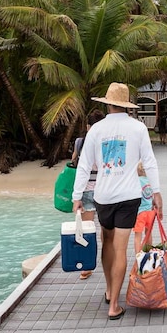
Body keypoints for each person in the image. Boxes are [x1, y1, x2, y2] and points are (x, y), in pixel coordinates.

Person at [72, 82, 163, 320]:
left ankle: (110, 289)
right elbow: (150, 161)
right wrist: (157, 191)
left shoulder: (96, 130)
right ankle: (114, 305)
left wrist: (76, 196)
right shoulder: (138, 128)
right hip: (129, 196)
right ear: (126, 105)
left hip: (103, 196)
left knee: (107, 243)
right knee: (121, 249)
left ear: (108, 103)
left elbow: (83, 164)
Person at [70, 109, 105, 280]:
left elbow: (74, 162)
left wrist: (76, 196)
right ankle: (107, 261)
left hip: (86, 189)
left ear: (87, 125)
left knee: (87, 230)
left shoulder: (80, 142)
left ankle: (86, 267)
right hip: (105, 190)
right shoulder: (106, 141)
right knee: (106, 230)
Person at [132, 163, 156, 254]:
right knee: (148, 233)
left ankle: (138, 256)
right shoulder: (151, 181)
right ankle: (149, 252)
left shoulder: (137, 181)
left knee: (138, 236)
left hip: (140, 212)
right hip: (150, 211)